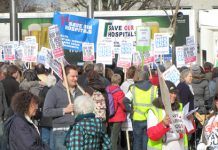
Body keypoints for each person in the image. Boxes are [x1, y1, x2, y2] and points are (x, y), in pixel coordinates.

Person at [43, 64, 83, 150]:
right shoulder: (53, 91)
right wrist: (64, 110)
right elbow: (46, 111)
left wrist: (87, 100)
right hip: (61, 131)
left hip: (78, 130)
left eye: (76, 76)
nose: (75, 79)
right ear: (64, 76)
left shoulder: (80, 91)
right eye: (72, 76)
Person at [147, 81, 188, 150]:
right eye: (171, 93)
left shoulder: (179, 108)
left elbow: (186, 131)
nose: (174, 95)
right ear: (163, 94)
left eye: (175, 93)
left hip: (178, 145)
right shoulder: (154, 111)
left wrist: (189, 121)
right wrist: (163, 124)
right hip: (163, 146)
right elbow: (152, 135)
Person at [123, 70, 158, 150]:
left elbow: (125, 100)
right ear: (148, 77)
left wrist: (130, 110)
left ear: (139, 77)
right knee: (146, 141)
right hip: (149, 119)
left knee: (137, 141)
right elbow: (158, 103)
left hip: (137, 118)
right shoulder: (154, 88)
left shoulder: (133, 88)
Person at [107, 74, 126, 150]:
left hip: (110, 115)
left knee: (111, 134)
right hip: (118, 117)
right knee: (114, 136)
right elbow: (123, 104)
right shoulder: (119, 92)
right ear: (119, 81)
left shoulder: (107, 89)